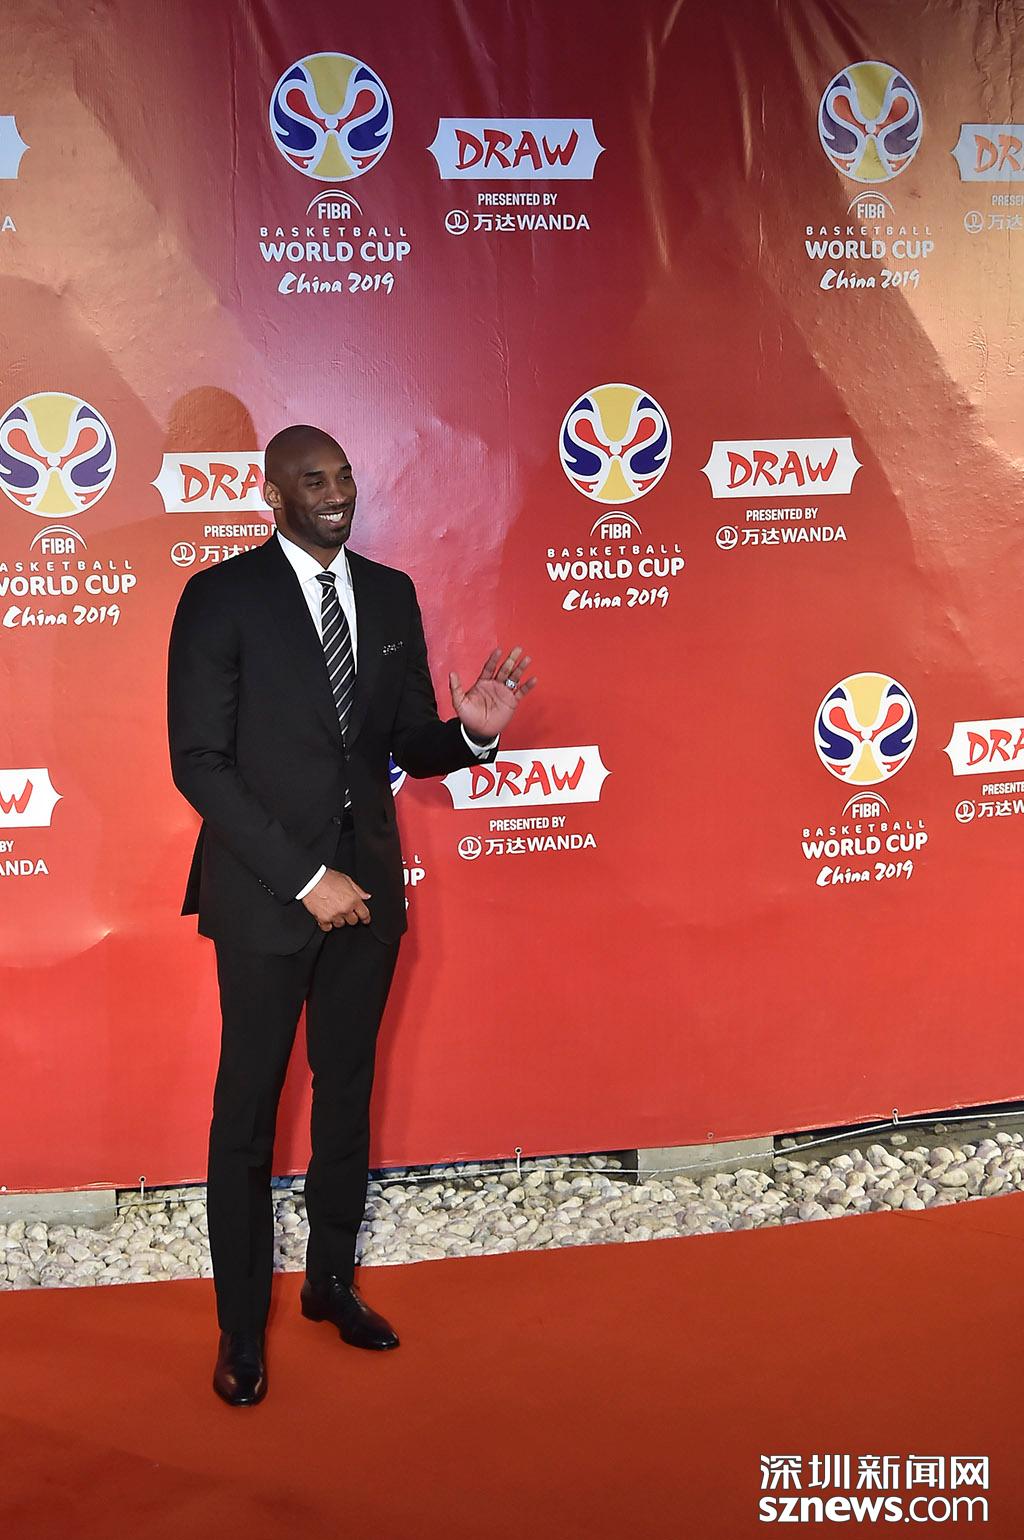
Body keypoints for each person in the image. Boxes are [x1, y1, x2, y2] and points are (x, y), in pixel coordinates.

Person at [167, 424, 537, 1406]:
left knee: (345, 1095)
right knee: (246, 1115)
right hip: (265, 897)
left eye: (342, 476)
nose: (334, 492)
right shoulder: (220, 597)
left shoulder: (389, 593)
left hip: (369, 891)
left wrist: (471, 737)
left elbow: (405, 743)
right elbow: (197, 761)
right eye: (311, 479)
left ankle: (330, 1283)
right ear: (272, 493)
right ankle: (240, 1328)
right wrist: (305, 878)